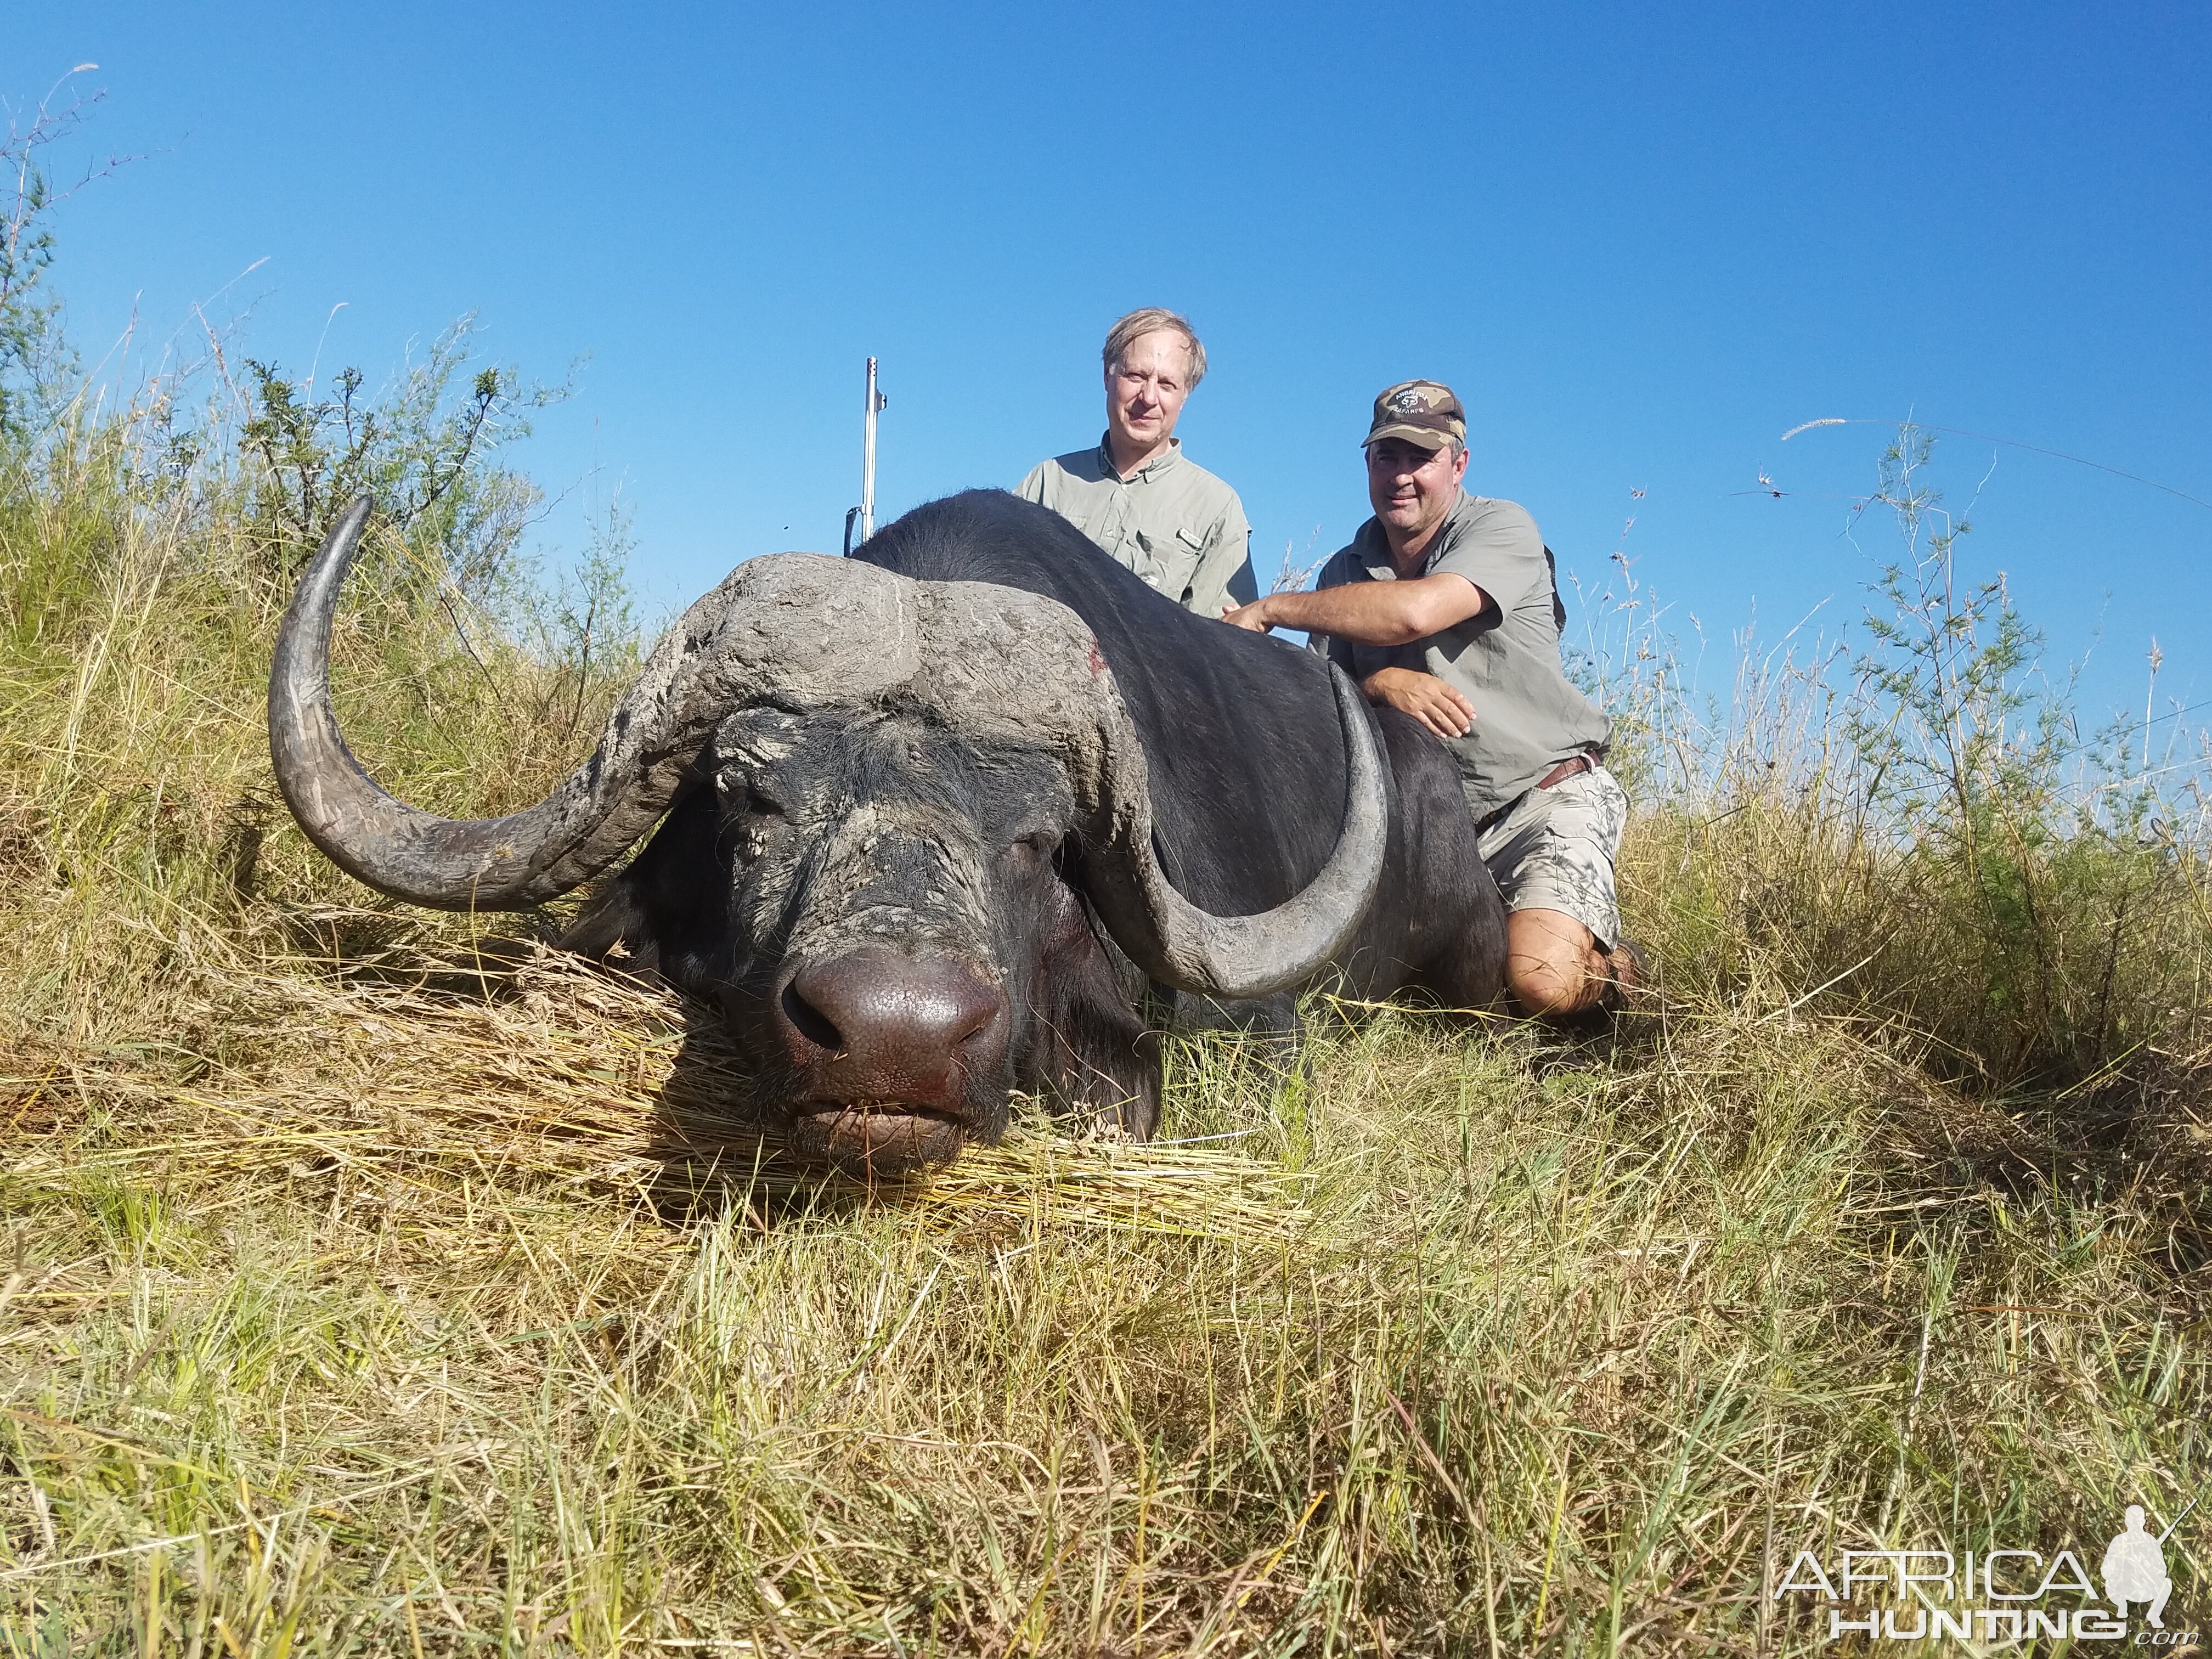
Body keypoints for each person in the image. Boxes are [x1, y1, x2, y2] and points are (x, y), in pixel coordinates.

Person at [1222, 380, 1637, 1019]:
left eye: (1421, 457)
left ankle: (1618, 973)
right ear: (1367, 464)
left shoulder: (1503, 526)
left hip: (1540, 799)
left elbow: (1415, 613)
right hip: (1430, 832)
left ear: (1458, 463)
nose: (1402, 475)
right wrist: (1376, 686)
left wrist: (1273, 607)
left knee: (1540, 982)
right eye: (1386, 456)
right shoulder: (1344, 571)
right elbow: (1318, 717)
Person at [1015, 308, 1258, 618]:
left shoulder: (1218, 509)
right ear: (1107, 375)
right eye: (1136, 376)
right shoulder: (1047, 482)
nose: (1149, 397)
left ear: (1185, 395)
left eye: (1167, 384)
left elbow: (1219, 645)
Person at [2102, 1506, 2172, 1628]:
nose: (2136, 1523)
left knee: (2167, 1583)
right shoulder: (2119, 1541)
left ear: (2144, 1522)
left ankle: (2154, 1615)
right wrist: (2123, 1567)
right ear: (2126, 1522)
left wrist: (2148, 1568)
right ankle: (2122, 1607)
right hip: (2123, 1588)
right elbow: (2107, 1568)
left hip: (2145, 1587)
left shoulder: (2151, 1541)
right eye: (2132, 1520)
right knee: (2109, 1583)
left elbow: (2162, 1570)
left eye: (2139, 1520)